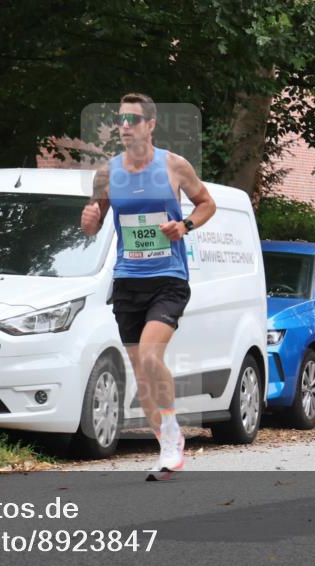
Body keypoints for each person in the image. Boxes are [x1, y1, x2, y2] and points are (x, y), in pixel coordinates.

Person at [80, 93, 216, 477]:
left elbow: (206, 204)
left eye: (133, 120)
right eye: (121, 119)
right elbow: (92, 224)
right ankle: (165, 445)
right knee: (142, 372)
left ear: (151, 125)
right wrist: (89, 218)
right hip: (127, 280)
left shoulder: (174, 165)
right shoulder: (107, 173)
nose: (125, 126)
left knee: (153, 357)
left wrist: (184, 225)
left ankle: (173, 437)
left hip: (168, 279)